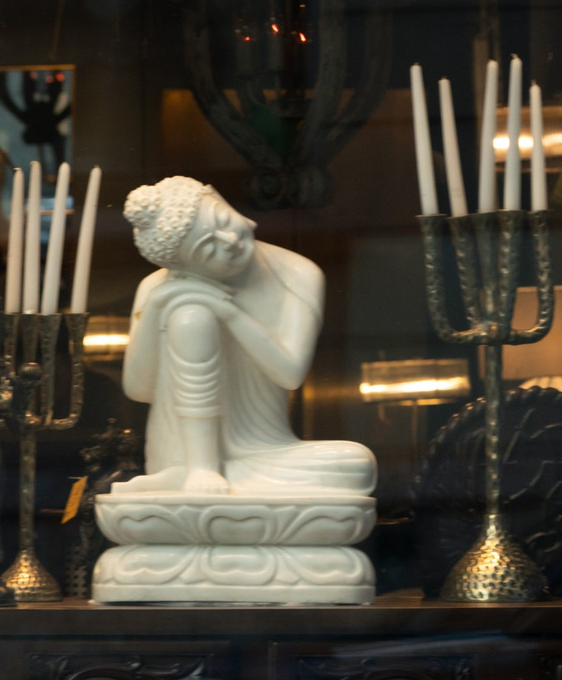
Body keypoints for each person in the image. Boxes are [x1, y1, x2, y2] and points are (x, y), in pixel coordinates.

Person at [114, 176, 373, 498]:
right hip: (179, 453)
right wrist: (155, 307)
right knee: (190, 317)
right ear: (185, 269)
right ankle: (197, 468)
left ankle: (196, 482)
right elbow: (139, 389)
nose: (228, 240)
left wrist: (229, 312)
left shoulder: (298, 273)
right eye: (208, 248)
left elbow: (290, 374)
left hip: (264, 451)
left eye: (223, 220)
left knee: (356, 464)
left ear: (220, 197)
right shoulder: (157, 288)